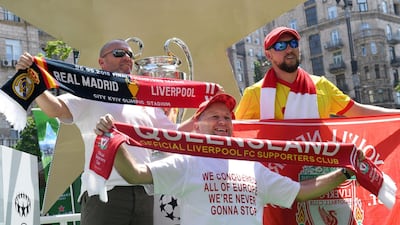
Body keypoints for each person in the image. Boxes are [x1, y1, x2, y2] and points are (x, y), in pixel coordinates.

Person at [94, 93, 359, 225]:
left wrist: (345, 172)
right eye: (214, 117)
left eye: (227, 117)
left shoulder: (254, 166)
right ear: (197, 126)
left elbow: (300, 192)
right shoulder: (186, 162)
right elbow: (135, 174)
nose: (222, 122)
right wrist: (114, 140)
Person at [234, 26, 400, 225]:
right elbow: (237, 136)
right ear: (268, 54)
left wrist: (397, 115)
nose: (289, 49)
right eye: (281, 45)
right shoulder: (255, 94)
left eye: (293, 43)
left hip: (325, 182)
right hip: (282, 190)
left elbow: (357, 111)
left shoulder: (321, 86)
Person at [15, 39, 192, 225]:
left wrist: (206, 114)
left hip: (144, 194)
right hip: (105, 193)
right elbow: (55, 109)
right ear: (102, 62)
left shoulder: (145, 100)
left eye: (130, 55)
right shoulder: (91, 92)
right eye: (118, 53)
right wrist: (34, 83)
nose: (126, 57)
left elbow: (175, 137)